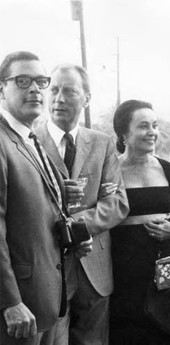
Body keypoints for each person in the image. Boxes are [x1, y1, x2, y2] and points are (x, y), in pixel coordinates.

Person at [34, 64, 129, 345]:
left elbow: (118, 203)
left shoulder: (102, 143)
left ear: (87, 98)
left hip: (94, 268)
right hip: (49, 266)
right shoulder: (28, 142)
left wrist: (74, 227)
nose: (59, 98)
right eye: (54, 90)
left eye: (70, 91)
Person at [0, 51, 90, 345]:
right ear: (2, 88)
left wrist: (72, 238)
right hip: (19, 310)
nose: (35, 89)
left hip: (48, 299)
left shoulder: (29, 137)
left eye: (41, 81)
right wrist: (9, 301)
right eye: (23, 81)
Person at [109, 99, 170, 345]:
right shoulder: (109, 171)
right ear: (124, 133)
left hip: (166, 275)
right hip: (123, 274)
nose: (152, 132)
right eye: (143, 126)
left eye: (155, 125)